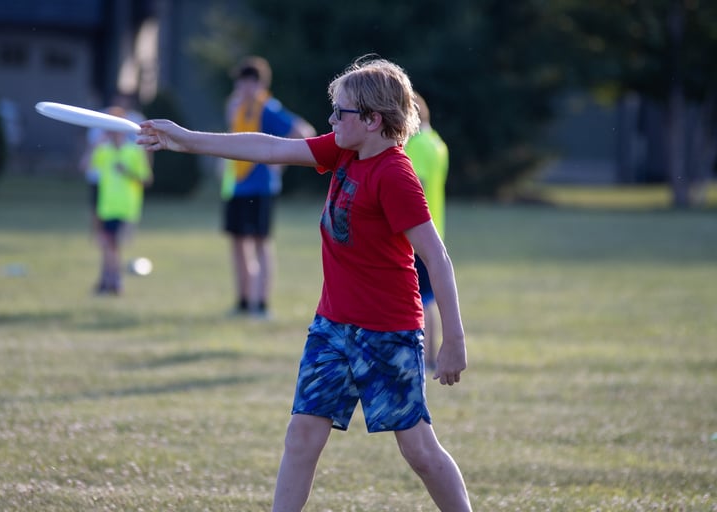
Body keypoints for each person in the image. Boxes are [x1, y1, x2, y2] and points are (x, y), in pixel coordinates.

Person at [137, 56, 472, 511]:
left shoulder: (395, 175)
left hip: (387, 333)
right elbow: (269, 147)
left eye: (340, 112)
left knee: (419, 451)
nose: (331, 120)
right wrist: (186, 139)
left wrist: (453, 341)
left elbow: (436, 256)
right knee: (301, 437)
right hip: (331, 328)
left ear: (373, 120)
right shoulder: (343, 150)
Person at [221, 56, 316, 317]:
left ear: (257, 83)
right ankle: (243, 301)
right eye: (239, 82)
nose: (241, 87)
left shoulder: (268, 108)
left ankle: (261, 303)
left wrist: (281, 160)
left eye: (245, 82)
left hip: (261, 187)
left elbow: (303, 131)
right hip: (237, 186)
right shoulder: (237, 107)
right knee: (238, 244)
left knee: (261, 244)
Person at [404, 93, 449, 372]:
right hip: (435, 228)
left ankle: (426, 356)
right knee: (428, 297)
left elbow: (415, 187)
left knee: (422, 298)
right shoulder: (437, 143)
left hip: (418, 232)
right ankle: (430, 356)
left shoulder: (418, 145)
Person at [91, 106, 153, 295]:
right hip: (106, 207)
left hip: (126, 207)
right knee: (108, 245)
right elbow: (84, 166)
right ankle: (109, 281)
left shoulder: (133, 152)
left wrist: (127, 172)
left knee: (112, 245)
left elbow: (146, 179)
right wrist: (95, 146)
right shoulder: (104, 151)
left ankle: (111, 281)